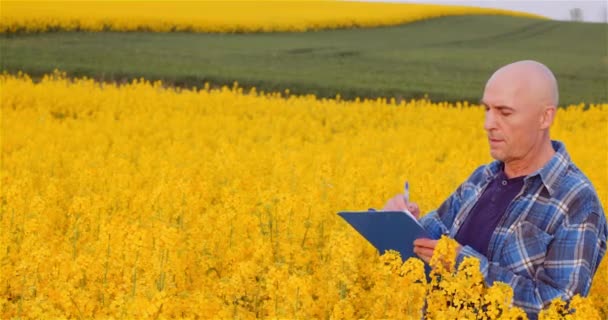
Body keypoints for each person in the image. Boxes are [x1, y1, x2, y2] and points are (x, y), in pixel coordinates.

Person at [383, 60, 607, 319]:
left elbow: (559, 308)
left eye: (505, 112)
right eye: (487, 109)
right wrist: (400, 222)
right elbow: (425, 248)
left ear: (545, 117)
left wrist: (466, 267)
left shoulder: (576, 200)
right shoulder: (481, 178)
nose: (488, 123)